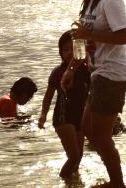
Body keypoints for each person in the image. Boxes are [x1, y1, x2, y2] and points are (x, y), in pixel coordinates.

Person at [61, 0, 126, 188]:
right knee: (89, 131)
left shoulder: (111, 0)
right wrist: (71, 69)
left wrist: (89, 33)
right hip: (98, 72)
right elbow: (83, 41)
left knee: (100, 135)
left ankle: (117, 183)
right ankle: (115, 181)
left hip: (112, 74)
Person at [38, 31, 90, 178]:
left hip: (79, 118)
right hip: (63, 118)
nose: (68, 53)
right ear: (60, 52)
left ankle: (73, 183)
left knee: (79, 157)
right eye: (64, 49)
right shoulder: (58, 72)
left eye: (71, 49)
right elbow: (48, 96)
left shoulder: (86, 70)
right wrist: (43, 115)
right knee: (73, 156)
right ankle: (63, 182)